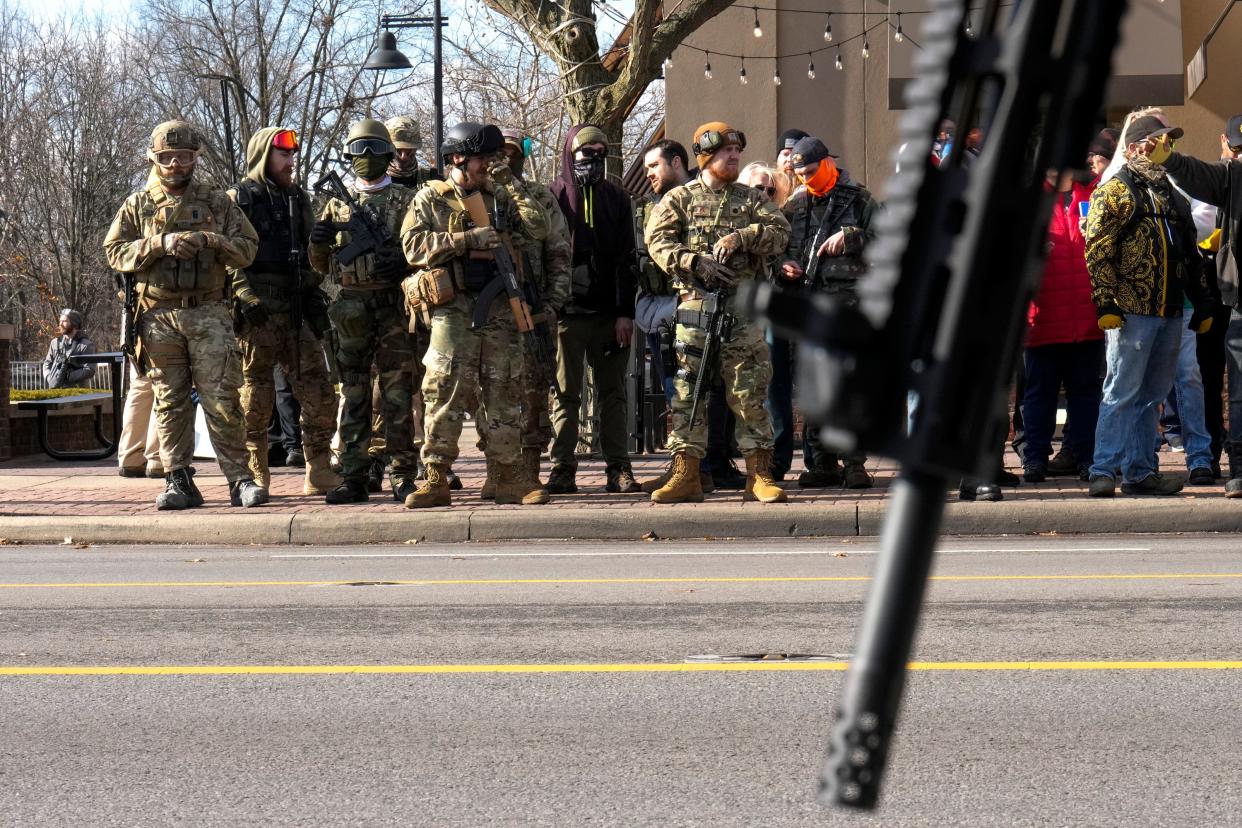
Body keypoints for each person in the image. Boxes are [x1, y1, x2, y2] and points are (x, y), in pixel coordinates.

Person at [103, 120, 263, 509]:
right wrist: (159, 243)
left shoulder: (216, 201)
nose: (176, 164)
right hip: (159, 315)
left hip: (208, 311)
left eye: (185, 157)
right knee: (169, 401)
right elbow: (114, 252)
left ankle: (240, 480)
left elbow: (248, 249)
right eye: (167, 157)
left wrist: (212, 240)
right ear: (154, 158)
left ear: (196, 158)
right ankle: (178, 480)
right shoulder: (138, 204)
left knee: (222, 398)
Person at [400, 121, 550, 508]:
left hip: (500, 307)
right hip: (454, 309)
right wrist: (465, 240)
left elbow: (539, 228)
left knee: (504, 390)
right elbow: (412, 246)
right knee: (445, 391)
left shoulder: (502, 195)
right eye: (484, 158)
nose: (490, 164)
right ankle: (435, 478)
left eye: (494, 157)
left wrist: (512, 185)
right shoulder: (431, 198)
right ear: (458, 158)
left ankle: (507, 477)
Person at [644, 121, 792, 503]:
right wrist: (694, 262)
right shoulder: (680, 199)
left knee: (748, 391)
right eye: (726, 151)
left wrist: (742, 236)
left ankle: (758, 475)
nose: (734, 156)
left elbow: (780, 232)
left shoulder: (750, 199)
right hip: (695, 308)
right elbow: (657, 242)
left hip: (742, 309)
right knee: (687, 393)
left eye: (737, 151)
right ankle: (687, 474)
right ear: (705, 156)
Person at [1084, 115, 1215, 497]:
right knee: (1120, 392)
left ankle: (1140, 472)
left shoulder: (1172, 194)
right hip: (1131, 311)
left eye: (1168, 141)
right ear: (1133, 147)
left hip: (1171, 310)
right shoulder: (1115, 191)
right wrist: (1106, 301)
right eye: (1157, 140)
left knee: (1152, 398)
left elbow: (1189, 253)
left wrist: (1202, 303)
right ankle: (1103, 470)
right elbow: (1098, 249)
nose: (1165, 147)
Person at [308, 118, 419, 504]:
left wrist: (403, 266)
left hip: (394, 307)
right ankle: (353, 475)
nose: (367, 159)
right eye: (359, 151)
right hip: (351, 308)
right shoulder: (335, 203)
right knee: (353, 393)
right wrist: (318, 242)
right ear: (347, 156)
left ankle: (403, 474)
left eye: (374, 150)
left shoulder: (408, 200)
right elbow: (321, 266)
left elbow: (421, 251)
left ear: (388, 155)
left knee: (398, 395)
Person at [229, 127, 340, 499]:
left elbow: (315, 257)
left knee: (320, 392)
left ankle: (319, 468)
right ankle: (256, 474)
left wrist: (321, 250)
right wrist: (245, 297)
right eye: (283, 155)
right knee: (254, 399)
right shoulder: (239, 198)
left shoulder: (297, 198)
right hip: (257, 311)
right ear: (264, 156)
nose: (291, 162)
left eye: (292, 155)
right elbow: (228, 258)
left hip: (295, 308)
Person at [475, 127, 572, 497]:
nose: (507, 159)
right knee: (492, 392)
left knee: (533, 394)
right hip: (489, 311)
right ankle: (496, 470)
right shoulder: (475, 195)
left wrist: (552, 304)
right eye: (500, 153)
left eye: (515, 153)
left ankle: (528, 470)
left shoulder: (537, 197)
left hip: (530, 308)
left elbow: (559, 253)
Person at [778, 137, 878, 489]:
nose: (805, 179)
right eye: (799, 174)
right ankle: (823, 463)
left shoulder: (860, 199)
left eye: (810, 171)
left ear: (827, 163)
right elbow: (775, 248)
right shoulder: (796, 205)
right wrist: (783, 265)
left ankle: (854, 464)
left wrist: (852, 237)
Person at [545, 125, 640, 494]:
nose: (595, 160)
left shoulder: (617, 198)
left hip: (608, 316)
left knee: (612, 394)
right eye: (588, 153)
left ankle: (618, 467)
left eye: (602, 153)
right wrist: (550, 309)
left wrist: (624, 313)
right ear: (572, 154)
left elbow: (626, 260)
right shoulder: (552, 196)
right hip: (566, 316)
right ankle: (562, 468)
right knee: (566, 395)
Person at [1154, 113, 1242, 495]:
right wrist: (1170, 159)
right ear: (1225, 145)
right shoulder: (1232, 176)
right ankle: (1238, 467)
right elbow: (1199, 175)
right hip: (1236, 300)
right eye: (1237, 148)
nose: (1239, 155)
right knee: (1237, 392)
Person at [1021, 171, 1104, 483]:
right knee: (1039, 394)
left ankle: (1086, 458)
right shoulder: (1031, 198)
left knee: (1085, 394)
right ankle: (1034, 460)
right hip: (1043, 319)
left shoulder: (1096, 193)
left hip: (1087, 317)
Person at [42, 309, 96, 388]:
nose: (60, 324)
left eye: (64, 321)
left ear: (74, 324)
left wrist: (68, 376)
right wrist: (49, 377)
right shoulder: (55, 343)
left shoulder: (86, 345)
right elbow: (47, 363)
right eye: (60, 321)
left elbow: (90, 369)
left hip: (77, 392)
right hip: (55, 390)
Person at [385, 115, 440, 189]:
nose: (403, 156)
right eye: (397, 150)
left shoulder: (432, 180)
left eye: (409, 150)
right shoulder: (374, 183)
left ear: (416, 148)